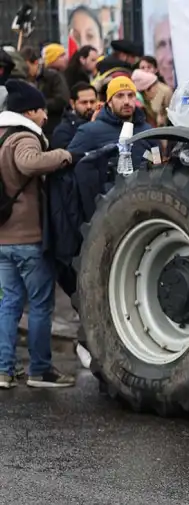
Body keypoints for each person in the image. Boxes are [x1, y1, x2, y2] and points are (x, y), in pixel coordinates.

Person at [0, 79, 80, 389]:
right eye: (42, 111)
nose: (46, 117)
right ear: (29, 112)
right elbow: (29, 163)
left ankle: (5, 371)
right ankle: (40, 370)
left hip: (3, 239)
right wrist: (64, 155)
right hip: (28, 238)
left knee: (8, 306)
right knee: (40, 304)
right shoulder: (24, 137)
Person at [68, 76, 159, 168]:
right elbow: (70, 164)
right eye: (120, 96)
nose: (126, 101)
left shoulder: (148, 131)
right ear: (109, 102)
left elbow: (158, 162)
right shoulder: (89, 131)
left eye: (131, 95)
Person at [20, 47, 68, 138]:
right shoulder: (22, 79)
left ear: (35, 63)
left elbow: (62, 99)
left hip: (52, 126)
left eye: (26, 68)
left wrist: (39, 106)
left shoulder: (52, 76)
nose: (24, 71)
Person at [51, 82, 98, 149]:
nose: (89, 106)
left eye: (92, 102)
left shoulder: (104, 122)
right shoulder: (63, 131)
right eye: (84, 102)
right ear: (72, 103)